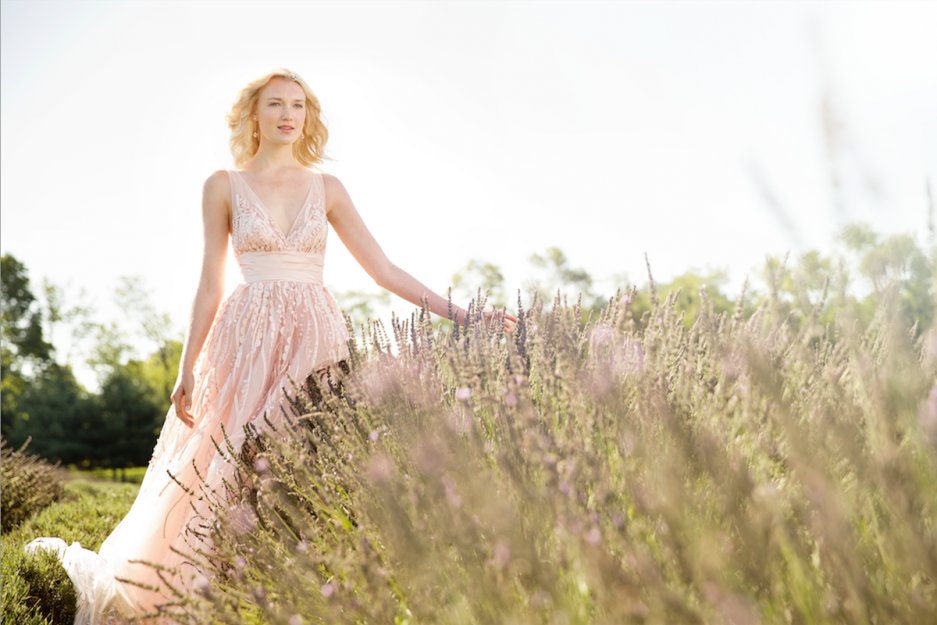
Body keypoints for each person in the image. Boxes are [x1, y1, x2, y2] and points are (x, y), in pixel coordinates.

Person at [27, 68, 514, 624]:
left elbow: (382, 271)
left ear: (308, 116)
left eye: (299, 105)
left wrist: (465, 315)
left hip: (315, 338)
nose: (288, 114)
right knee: (228, 461)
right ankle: (198, 595)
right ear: (253, 115)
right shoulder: (222, 185)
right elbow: (210, 283)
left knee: (303, 460)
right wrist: (186, 367)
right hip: (245, 337)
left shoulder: (327, 188)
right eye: (276, 103)